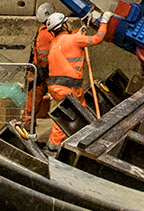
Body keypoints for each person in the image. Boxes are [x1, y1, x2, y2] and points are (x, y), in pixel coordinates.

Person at [43, 9, 112, 146]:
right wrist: (104, 22)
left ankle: (70, 140)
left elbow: (69, 41)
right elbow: (98, 38)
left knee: (74, 112)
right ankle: (55, 144)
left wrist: (79, 31)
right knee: (74, 114)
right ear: (63, 26)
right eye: (67, 23)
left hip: (55, 87)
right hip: (70, 87)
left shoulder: (54, 43)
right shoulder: (74, 39)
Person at [25, 11, 66, 129]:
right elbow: (44, 58)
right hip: (43, 74)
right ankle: (28, 129)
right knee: (33, 104)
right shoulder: (47, 34)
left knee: (32, 104)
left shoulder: (42, 32)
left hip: (41, 73)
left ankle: (28, 128)